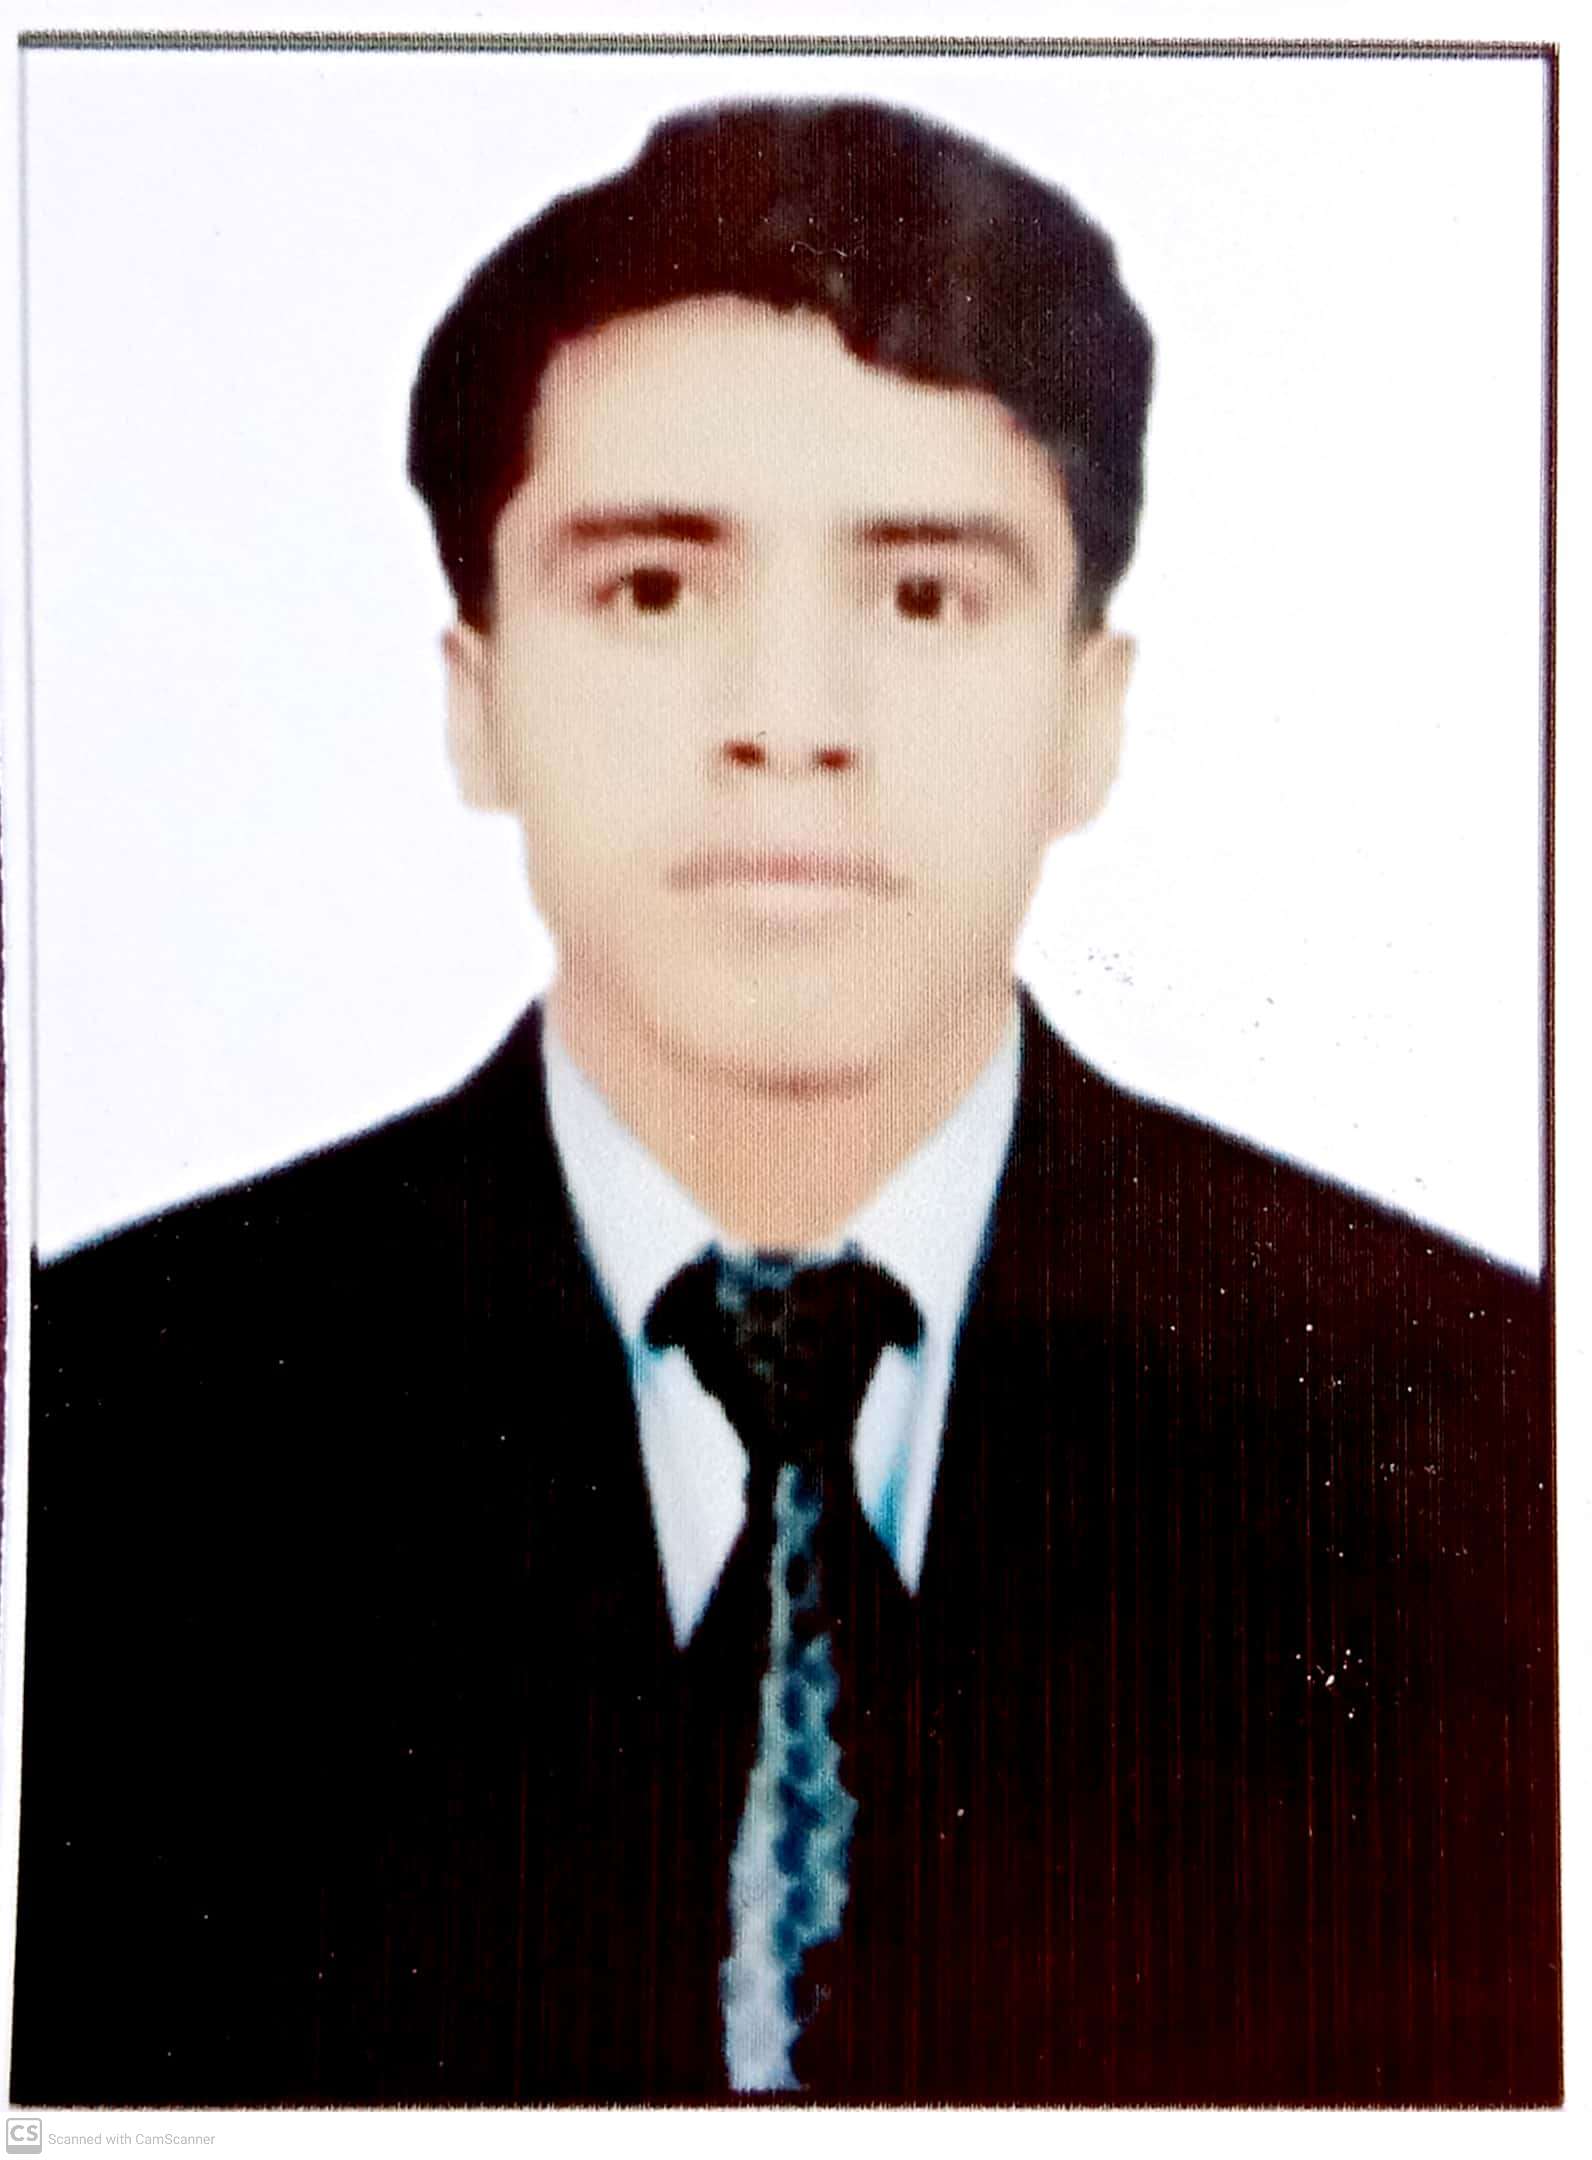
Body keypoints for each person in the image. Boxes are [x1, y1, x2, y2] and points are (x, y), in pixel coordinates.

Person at [11, 98, 1557, 2107]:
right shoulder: (100, 1433)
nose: (790, 725)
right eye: (654, 590)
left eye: (922, 598)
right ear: (477, 697)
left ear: (1087, 716)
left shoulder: (1485, 1436)